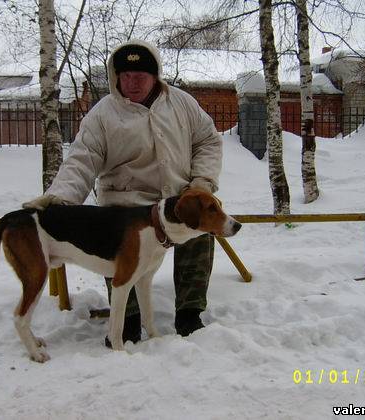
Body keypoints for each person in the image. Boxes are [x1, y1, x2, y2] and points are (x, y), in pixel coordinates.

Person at [23, 39, 222, 345]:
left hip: (177, 200)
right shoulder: (103, 114)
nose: (132, 82)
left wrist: (200, 185)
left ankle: (189, 313)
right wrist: (59, 198)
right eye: (125, 75)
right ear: (115, 76)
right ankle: (127, 319)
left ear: (155, 74)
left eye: (140, 75)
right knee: (117, 245)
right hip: (126, 205)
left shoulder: (181, 103)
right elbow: (82, 159)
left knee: (198, 234)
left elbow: (208, 141)